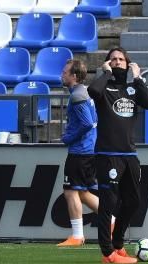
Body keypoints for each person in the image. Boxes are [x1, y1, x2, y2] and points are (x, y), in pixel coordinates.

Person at [88, 48, 148, 264]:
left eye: (121, 59)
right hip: (108, 155)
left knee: (133, 202)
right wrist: (106, 73)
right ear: (108, 63)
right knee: (108, 204)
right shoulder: (104, 86)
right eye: (113, 59)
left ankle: (118, 245)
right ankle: (107, 252)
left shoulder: (133, 88)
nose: (117, 62)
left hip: (129, 154)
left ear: (128, 64)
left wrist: (138, 78)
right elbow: (93, 91)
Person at [56, 59, 99, 247]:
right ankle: (113, 221)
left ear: (74, 76)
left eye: (65, 72)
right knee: (81, 193)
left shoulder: (78, 96)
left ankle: (77, 236)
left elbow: (87, 123)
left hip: (80, 151)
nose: (62, 75)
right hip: (88, 150)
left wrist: (68, 137)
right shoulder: (84, 93)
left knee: (70, 191)